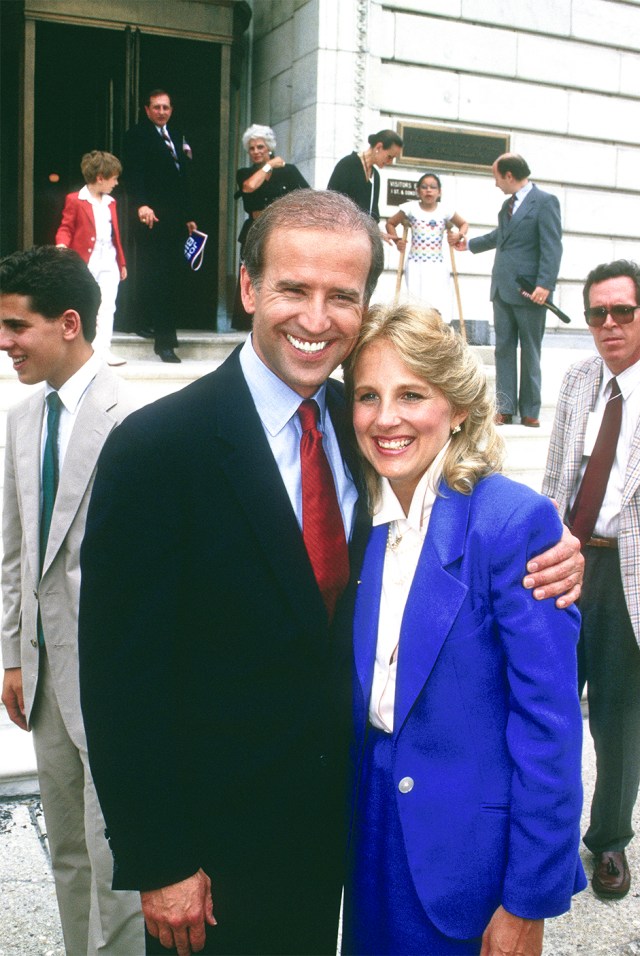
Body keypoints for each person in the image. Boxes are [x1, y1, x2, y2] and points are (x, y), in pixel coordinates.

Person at [77, 190, 582, 956]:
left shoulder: (365, 428)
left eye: (341, 296)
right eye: (292, 289)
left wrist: (558, 549)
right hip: (216, 862)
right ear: (248, 288)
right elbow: (118, 681)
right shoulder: (158, 450)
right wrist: (161, 858)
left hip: (350, 840)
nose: (316, 319)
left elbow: (454, 516)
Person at [341, 304, 586, 955]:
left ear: (457, 408)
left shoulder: (510, 524)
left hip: (468, 860)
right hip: (370, 839)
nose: (385, 417)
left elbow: (550, 727)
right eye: (368, 395)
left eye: (411, 394)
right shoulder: (358, 518)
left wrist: (527, 901)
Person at [0, 246, 144, 956]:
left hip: (114, 681)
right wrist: (12, 657)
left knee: (116, 863)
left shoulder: (133, 420)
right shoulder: (22, 420)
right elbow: (15, 552)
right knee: (67, 851)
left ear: (68, 323)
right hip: (44, 677)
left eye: (15, 326)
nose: (4, 342)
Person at [543, 260, 640, 902]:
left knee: (621, 723)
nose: (608, 325)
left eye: (621, 312)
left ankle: (610, 841)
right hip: (570, 565)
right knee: (549, 707)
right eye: (597, 313)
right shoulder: (576, 381)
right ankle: (545, 832)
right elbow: (555, 480)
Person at [456, 153, 562, 427]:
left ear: (509, 176)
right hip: (502, 289)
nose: (496, 184)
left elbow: (552, 246)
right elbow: (499, 237)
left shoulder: (546, 202)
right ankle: (504, 408)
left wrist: (545, 285)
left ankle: (530, 411)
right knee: (504, 349)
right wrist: (468, 245)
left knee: (530, 349)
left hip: (530, 291)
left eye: (496, 177)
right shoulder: (507, 206)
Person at [123, 88, 196, 363]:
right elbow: (134, 174)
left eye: (166, 107)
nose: (162, 112)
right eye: (156, 107)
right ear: (146, 109)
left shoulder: (176, 135)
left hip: (176, 219)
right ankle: (165, 343)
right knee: (158, 276)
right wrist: (141, 204)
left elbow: (183, 178)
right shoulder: (137, 136)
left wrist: (189, 215)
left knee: (169, 278)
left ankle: (147, 324)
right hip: (151, 218)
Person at [232, 123, 309, 330]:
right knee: (250, 272)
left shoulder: (289, 171)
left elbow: (307, 197)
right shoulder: (244, 173)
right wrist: (269, 165)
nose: (256, 152)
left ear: (269, 148)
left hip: (279, 229)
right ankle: (245, 322)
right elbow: (249, 188)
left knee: (278, 273)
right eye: (252, 148)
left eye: (260, 147)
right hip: (254, 229)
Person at [56, 149, 128, 367]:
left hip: (109, 260)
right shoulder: (76, 200)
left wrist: (121, 262)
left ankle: (103, 349)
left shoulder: (111, 202)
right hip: (85, 261)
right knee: (83, 305)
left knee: (108, 305)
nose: (116, 182)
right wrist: (61, 244)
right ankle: (81, 351)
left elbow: (115, 235)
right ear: (100, 178)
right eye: (113, 178)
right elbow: (66, 227)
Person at [386, 172, 468, 325]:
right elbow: (390, 223)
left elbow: (464, 224)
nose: (428, 190)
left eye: (433, 187)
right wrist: (397, 240)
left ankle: (436, 331)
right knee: (416, 302)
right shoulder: (410, 208)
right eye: (424, 187)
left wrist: (458, 235)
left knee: (436, 301)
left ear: (439, 192)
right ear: (418, 191)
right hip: (416, 264)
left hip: (437, 265)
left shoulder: (445, 210)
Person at [327, 129, 403, 232]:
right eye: (389, 156)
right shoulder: (347, 164)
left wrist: (378, 234)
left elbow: (373, 214)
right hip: (342, 233)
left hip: (363, 238)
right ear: (379, 147)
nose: (390, 162)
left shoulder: (375, 176)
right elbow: (331, 202)